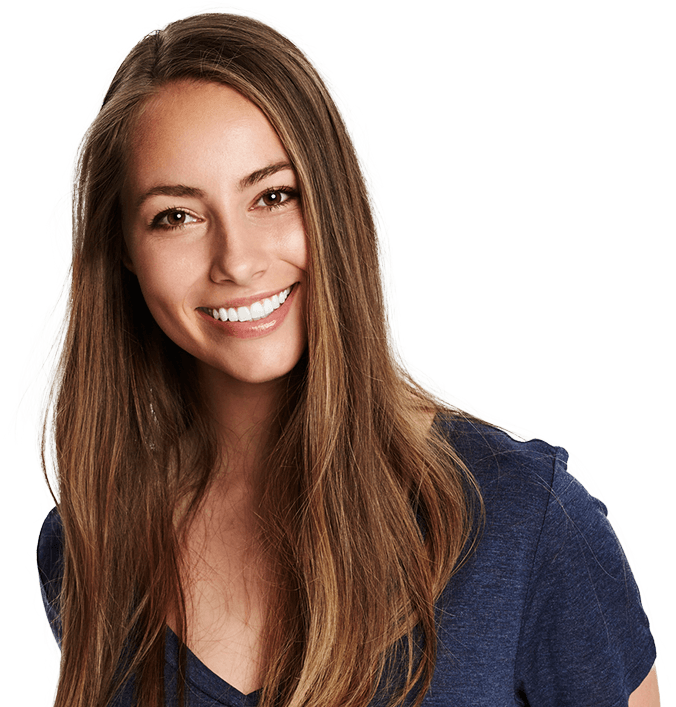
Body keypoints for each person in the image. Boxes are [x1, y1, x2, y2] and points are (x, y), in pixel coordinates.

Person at [13, 6, 659, 707]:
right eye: (177, 215)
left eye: (273, 195)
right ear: (124, 255)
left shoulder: (529, 518)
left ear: (334, 206)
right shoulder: (91, 545)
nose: (237, 260)